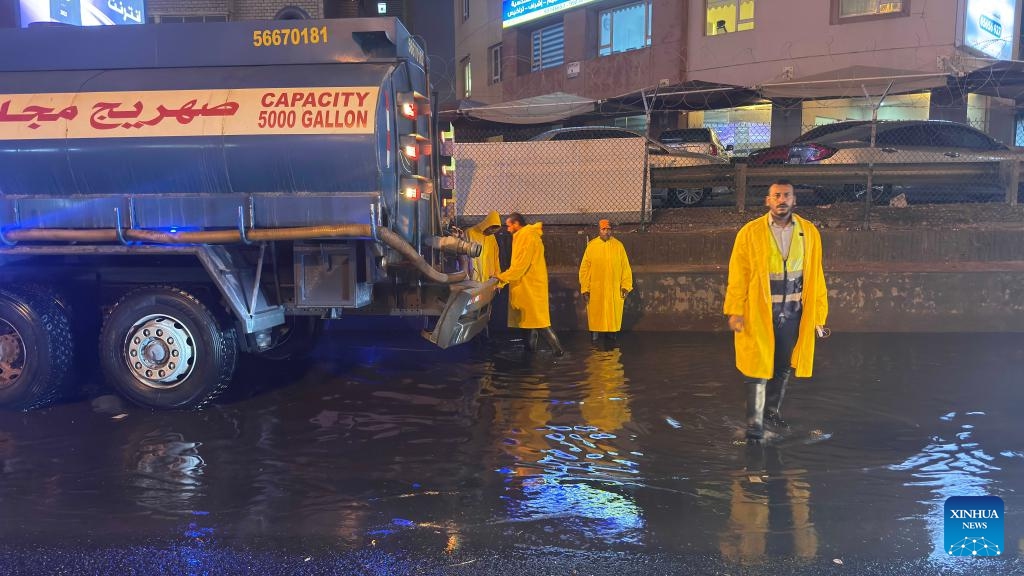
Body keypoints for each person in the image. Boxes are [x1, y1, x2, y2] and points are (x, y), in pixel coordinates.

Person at [724, 180, 828, 441]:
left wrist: (817, 316)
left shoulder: (809, 232)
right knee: (756, 368)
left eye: (787, 195)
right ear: (767, 201)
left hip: (792, 313)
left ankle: (771, 413)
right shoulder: (750, 233)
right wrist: (735, 310)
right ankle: (754, 424)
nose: (782, 200)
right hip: (759, 312)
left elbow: (816, 276)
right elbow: (738, 274)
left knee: (782, 366)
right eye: (776, 195)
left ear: (794, 200)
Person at [494, 212, 564, 356]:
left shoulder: (527, 237)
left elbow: (520, 265)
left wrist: (501, 278)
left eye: (509, 226)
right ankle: (531, 353)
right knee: (527, 324)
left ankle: (558, 352)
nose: (507, 229)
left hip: (530, 288)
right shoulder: (525, 235)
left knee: (540, 323)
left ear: (516, 224)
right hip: (527, 287)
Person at [579, 219, 633, 343]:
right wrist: (585, 289)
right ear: (599, 230)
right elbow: (584, 270)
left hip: (613, 290)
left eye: (609, 229)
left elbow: (625, 267)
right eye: (604, 229)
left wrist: (626, 286)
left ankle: (611, 344)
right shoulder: (592, 246)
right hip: (596, 290)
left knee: (612, 324)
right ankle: (595, 343)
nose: (606, 232)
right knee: (595, 323)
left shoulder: (618, 246)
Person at [467, 211, 502, 282]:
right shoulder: (470, 233)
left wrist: (497, 276)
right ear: (487, 224)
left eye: (494, 230)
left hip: (488, 279)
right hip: (473, 278)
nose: (491, 232)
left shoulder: (491, 237)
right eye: (491, 228)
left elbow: (495, 257)